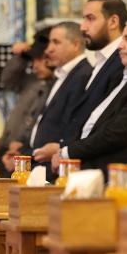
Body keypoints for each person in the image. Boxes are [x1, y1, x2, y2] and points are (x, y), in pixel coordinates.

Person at [49, 18, 127, 180]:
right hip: (85, 160)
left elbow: (119, 133)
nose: (120, 46)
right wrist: (67, 151)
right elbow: (93, 122)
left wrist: (68, 152)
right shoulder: (124, 75)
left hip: (108, 169)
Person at [34, 0, 127, 163]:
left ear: (113, 22)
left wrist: (64, 150)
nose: (83, 27)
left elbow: (108, 125)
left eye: (90, 19)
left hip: (97, 162)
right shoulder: (102, 60)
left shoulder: (122, 62)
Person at [19, 22, 93, 181]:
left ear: (75, 44)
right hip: (36, 158)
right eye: (49, 42)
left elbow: (72, 126)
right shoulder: (60, 75)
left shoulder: (83, 75)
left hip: (53, 163)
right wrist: (22, 153)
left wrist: (59, 148)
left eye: (56, 42)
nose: (48, 50)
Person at [0, 28, 54, 175]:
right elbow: (8, 80)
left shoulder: (54, 89)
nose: (35, 65)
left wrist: (7, 145)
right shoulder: (33, 82)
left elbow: (31, 127)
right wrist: (22, 57)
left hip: (22, 152)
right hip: (10, 148)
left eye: (39, 59)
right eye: (33, 60)